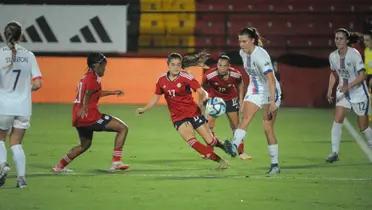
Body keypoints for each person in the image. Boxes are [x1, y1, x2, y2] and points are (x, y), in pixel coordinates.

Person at [136, 52, 229, 169]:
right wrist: (145, 108)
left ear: (181, 65)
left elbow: (202, 91)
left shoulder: (186, 77)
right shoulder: (161, 80)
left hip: (193, 112)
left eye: (178, 64)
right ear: (168, 65)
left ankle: (226, 146)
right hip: (178, 117)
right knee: (192, 142)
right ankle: (220, 161)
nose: (176, 67)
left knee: (211, 141)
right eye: (173, 64)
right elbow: (156, 97)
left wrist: (204, 102)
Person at [52, 53, 129, 172]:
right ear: (95, 66)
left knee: (84, 145)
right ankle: (116, 162)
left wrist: (113, 92)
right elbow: (88, 94)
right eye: (103, 66)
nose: (105, 68)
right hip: (89, 116)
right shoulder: (92, 79)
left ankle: (59, 166)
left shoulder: (86, 77)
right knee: (123, 128)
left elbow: (95, 92)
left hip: (78, 117)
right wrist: (84, 106)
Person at [224, 27, 282, 175]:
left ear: (252, 41)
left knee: (267, 127)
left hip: (271, 90)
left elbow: (271, 80)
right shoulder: (242, 53)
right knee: (246, 117)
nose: (241, 44)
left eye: (244, 41)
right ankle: (234, 145)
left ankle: (275, 164)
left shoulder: (260, 56)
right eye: (239, 41)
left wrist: (272, 102)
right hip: (255, 89)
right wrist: (244, 99)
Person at [0, 21, 42, 188]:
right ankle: (21, 178)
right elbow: (38, 84)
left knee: (0, 138)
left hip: (3, 106)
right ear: (21, 35)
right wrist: (24, 90)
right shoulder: (29, 55)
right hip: (23, 107)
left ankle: (3, 165)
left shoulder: (0, 54)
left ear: (5, 35)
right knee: (16, 143)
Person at [326, 28, 372, 163]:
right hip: (343, 93)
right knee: (338, 119)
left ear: (347, 41)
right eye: (336, 38)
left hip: (358, 93)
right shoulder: (333, 56)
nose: (338, 41)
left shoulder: (354, 54)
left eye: (341, 38)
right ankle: (334, 152)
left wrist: (348, 86)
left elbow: (362, 75)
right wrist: (329, 90)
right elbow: (334, 73)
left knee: (363, 126)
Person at [202, 54, 251, 160]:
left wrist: (241, 99)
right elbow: (203, 87)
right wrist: (205, 99)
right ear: (217, 65)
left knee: (235, 126)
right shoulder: (209, 75)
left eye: (224, 66)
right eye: (219, 65)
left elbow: (240, 84)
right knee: (209, 126)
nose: (221, 68)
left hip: (230, 99)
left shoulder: (236, 74)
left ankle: (241, 152)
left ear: (229, 66)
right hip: (215, 100)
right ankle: (209, 151)